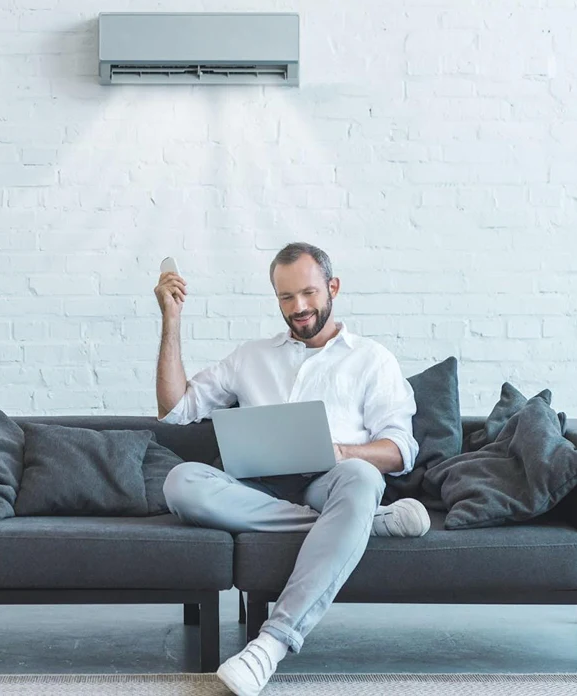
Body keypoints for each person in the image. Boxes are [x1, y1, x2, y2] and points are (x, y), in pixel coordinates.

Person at [154, 242, 430, 696]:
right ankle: (356, 525)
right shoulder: (251, 355)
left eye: (308, 293)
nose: (298, 308)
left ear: (332, 288)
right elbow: (174, 409)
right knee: (181, 481)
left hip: (334, 482)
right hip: (257, 489)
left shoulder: (371, 358)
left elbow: (401, 449)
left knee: (362, 478)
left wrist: (343, 451)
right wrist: (171, 319)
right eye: (286, 297)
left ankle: (271, 644)